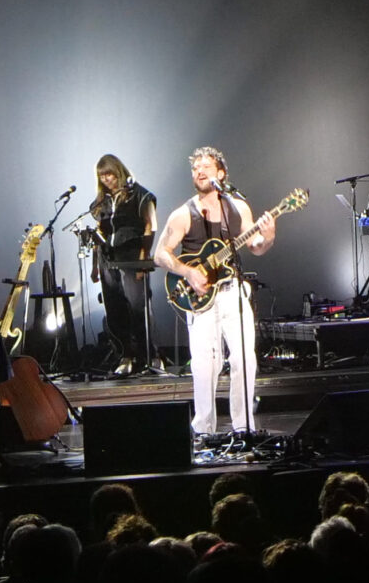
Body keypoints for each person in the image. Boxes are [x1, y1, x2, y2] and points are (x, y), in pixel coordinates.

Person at [154, 146, 275, 435]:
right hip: (201, 297)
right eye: (195, 168)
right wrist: (188, 272)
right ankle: (204, 431)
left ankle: (244, 427)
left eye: (206, 166)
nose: (200, 171)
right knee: (205, 365)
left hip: (233, 290)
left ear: (221, 173)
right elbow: (160, 254)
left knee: (244, 358)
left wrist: (268, 236)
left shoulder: (238, 207)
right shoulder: (184, 214)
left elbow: (255, 247)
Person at [86, 154, 158, 376]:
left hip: (133, 257)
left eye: (109, 174)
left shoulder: (139, 194)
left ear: (118, 171)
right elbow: (99, 234)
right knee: (115, 310)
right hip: (109, 260)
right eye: (102, 176)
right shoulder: (101, 202)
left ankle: (151, 357)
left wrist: (144, 258)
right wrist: (95, 266)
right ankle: (125, 355)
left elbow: (150, 225)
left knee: (138, 309)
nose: (107, 179)